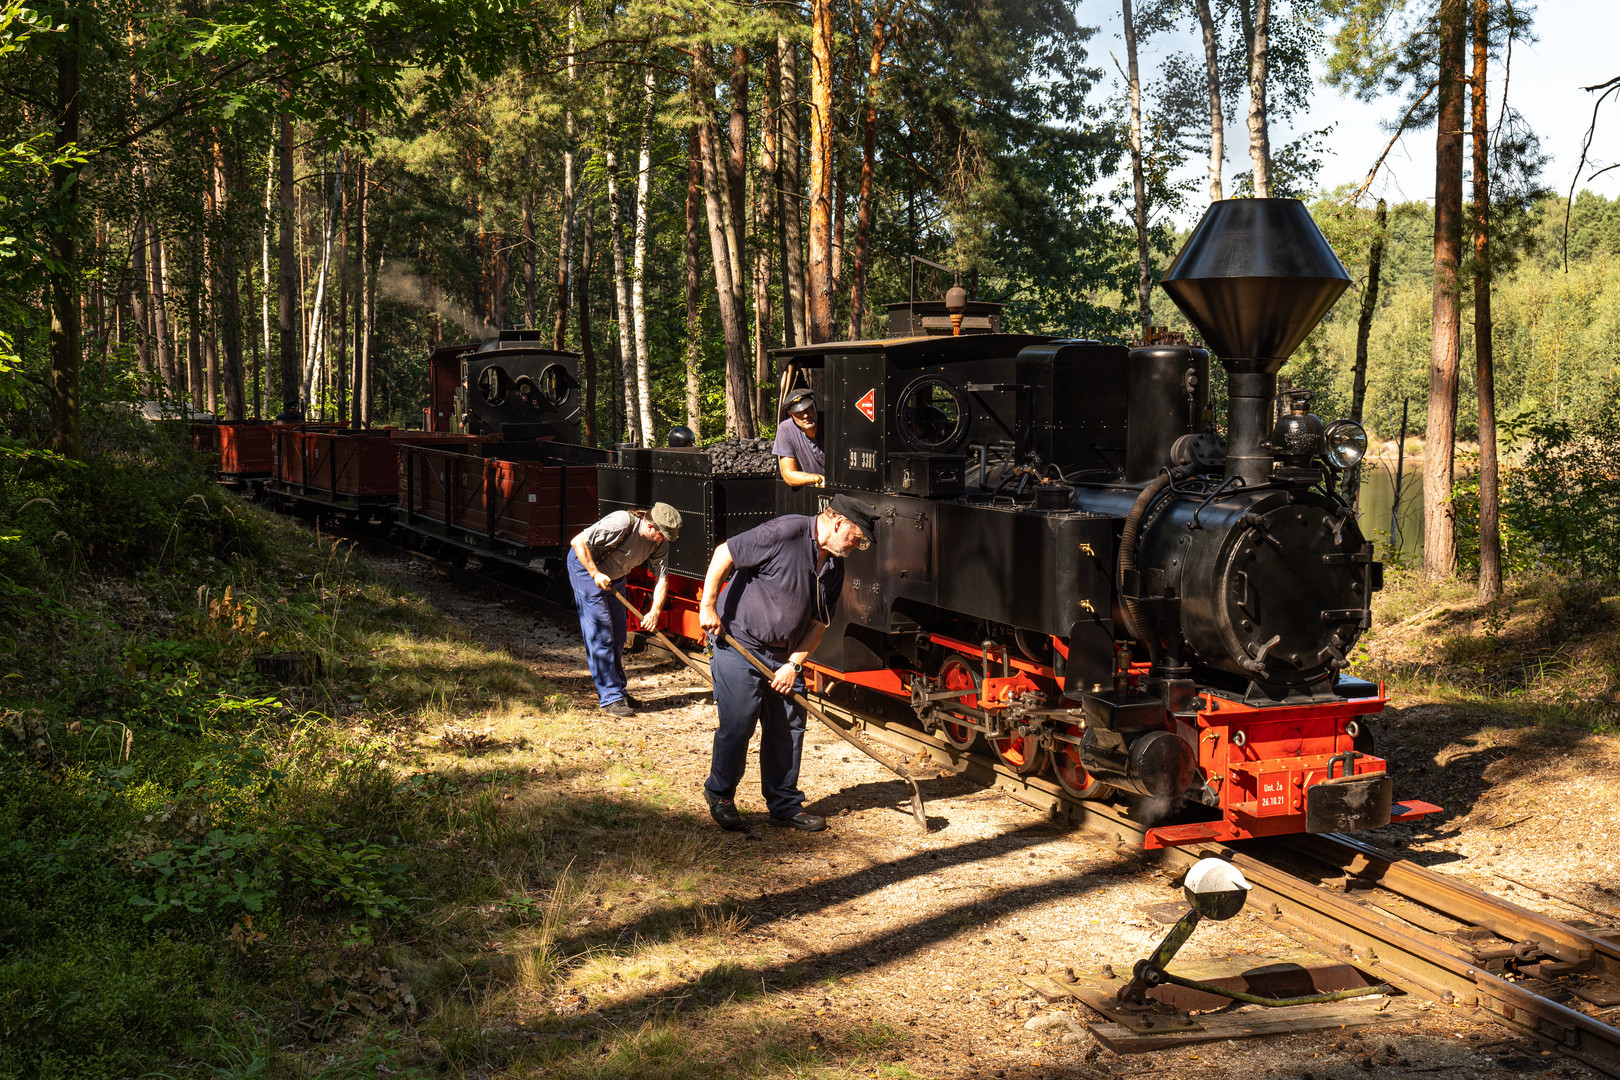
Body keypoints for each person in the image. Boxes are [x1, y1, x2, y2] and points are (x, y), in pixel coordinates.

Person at [699, 494, 877, 832]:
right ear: (838, 524)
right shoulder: (785, 531)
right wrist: (708, 606)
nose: (857, 547)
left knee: (788, 726)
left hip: (784, 657)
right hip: (739, 643)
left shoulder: (835, 566)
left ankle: (784, 805)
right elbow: (725, 552)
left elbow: (818, 624)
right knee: (738, 723)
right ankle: (720, 794)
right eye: (856, 539)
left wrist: (793, 665)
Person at [567, 503, 682, 717]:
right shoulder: (621, 522)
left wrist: (655, 610)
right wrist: (595, 574)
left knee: (618, 635)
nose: (664, 540)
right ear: (650, 526)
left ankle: (618, 690)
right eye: (662, 535)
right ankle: (610, 698)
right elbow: (578, 542)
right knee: (601, 634)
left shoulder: (658, 544)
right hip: (587, 569)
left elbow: (662, 579)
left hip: (616, 577)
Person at [773, 387, 825, 488]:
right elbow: (788, 474)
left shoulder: (830, 422)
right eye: (799, 412)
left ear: (815, 405)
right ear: (791, 415)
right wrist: (817, 479)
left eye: (808, 409)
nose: (805, 415)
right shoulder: (785, 429)